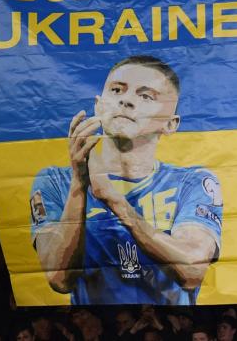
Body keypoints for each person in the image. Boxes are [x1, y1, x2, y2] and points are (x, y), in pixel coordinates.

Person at [29, 55, 223, 305]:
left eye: (146, 96)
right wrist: (79, 183)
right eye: (116, 90)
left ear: (170, 124)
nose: (126, 100)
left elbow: (192, 272)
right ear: (99, 106)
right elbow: (58, 279)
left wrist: (114, 201)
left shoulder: (192, 183)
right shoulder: (55, 181)